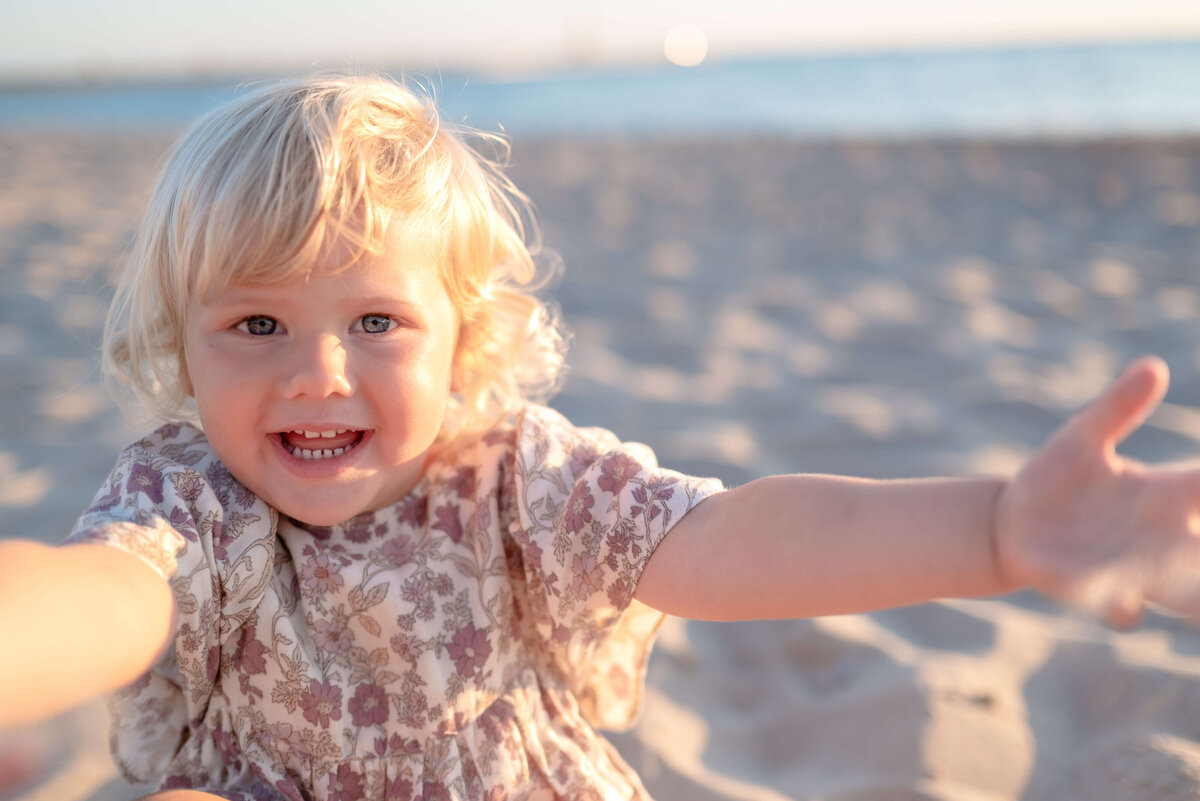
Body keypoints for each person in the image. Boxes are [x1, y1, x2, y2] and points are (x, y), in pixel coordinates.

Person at [0, 73, 1198, 801]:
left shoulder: (512, 476)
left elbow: (727, 541)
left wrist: (995, 529)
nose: (319, 372)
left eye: (375, 320)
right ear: (185, 345)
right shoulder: (189, 498)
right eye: (257, 322)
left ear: (461, 344)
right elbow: (102, 599)